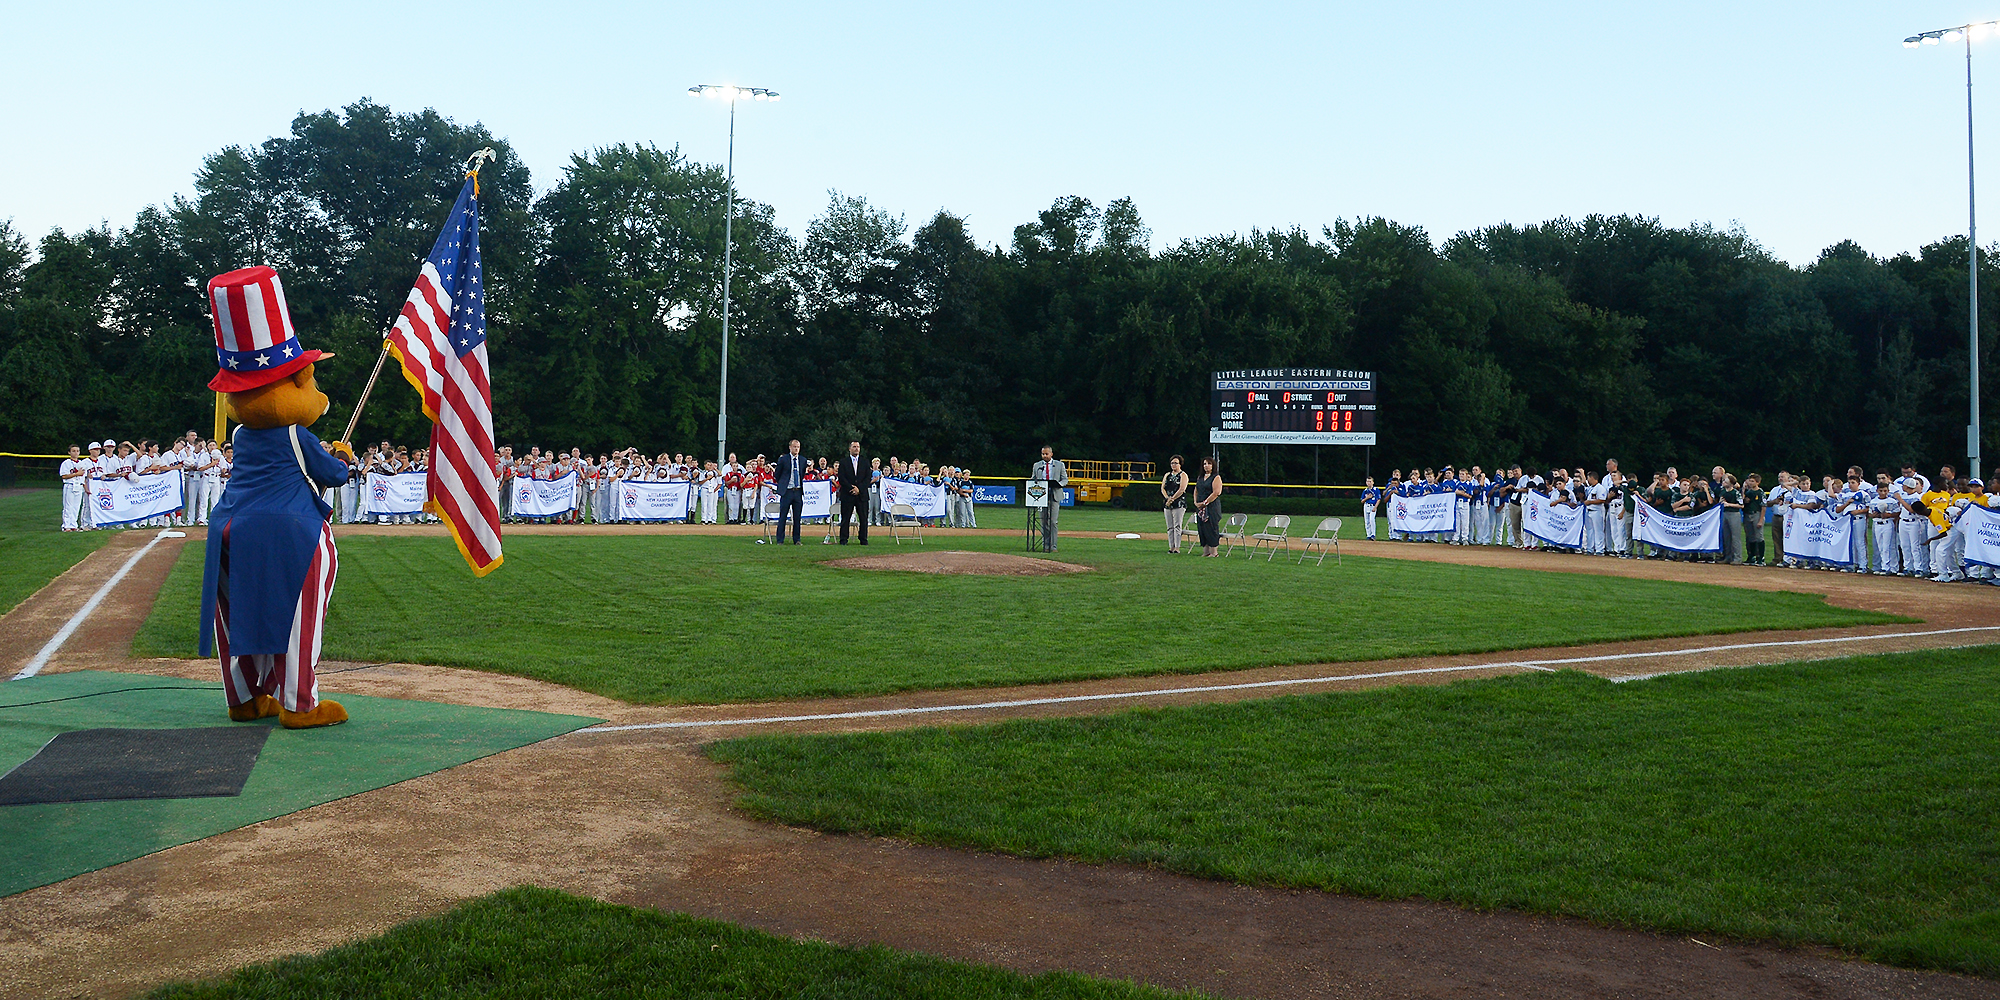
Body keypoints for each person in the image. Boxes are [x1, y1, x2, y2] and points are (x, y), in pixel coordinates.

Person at [771, 439, 809, 544]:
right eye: (794, 447)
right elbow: (777, 474)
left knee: (797, 517)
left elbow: (802, 473)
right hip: (787, 491)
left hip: (797, 491)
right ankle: (780, 540)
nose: (796, 449)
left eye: (798, 447)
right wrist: (783, 484)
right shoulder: (784, 459)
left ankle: (797, 539)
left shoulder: (803, 460)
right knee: (783, 516)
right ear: (790, 447)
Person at [1032, 445, 1068, 553]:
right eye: (1043, 454)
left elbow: (1065, 479)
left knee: (1053, 522)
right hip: (1041, 496)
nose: (1044, 456)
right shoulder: (1037, 465)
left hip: (1055, 495)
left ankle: (1054, 546)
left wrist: (1059, 485)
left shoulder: (1059, 465)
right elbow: (1033, 479)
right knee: (1043, 522)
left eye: (1046, 454)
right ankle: (1045, 545)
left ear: (1051, 454)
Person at [836, 440, 869, 545]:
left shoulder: (865, 462)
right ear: (849, 449)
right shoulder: (844, 462)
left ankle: (863, 539)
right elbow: (841, 478)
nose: (856, 448)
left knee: (863, 519)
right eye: (854, 447)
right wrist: (851, 488)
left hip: (862, 495)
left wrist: (859, 488)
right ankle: (844, 539)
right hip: (847, 494)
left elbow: (867, 478)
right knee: (845, 519)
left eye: (858, 447)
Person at [1193, 455, 1224, 557]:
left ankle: (1214, 552)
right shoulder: (1200, 478)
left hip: (1211, 507)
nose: (1206, 466)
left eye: (1209, 464)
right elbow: (1196, 490)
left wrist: (1205, 503)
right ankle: (1205, 552)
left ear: (1213, 465)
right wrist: (1196, 502)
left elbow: (1216, 492)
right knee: (1202, 528)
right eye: (1205, 464)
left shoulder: (1216, 477)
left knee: (1211, 528)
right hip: (1200, 507)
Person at [1161, 455, 1189, 553]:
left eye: (1176, 463)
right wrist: (1167, 498)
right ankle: (1171, 547)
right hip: (1168, 503)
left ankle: (1177, 547)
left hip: (1179, 503)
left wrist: (1172, 499)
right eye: (1172, 463)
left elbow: (1182, 489)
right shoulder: (1167, 475)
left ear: (1180, 464)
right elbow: (1163, 488)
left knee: (1177, 525)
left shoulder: (1183, 475)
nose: (1174, 465)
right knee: (1170, 527)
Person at [1359, 475, 1381, 542]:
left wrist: (1375, 507)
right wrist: (1367, 498)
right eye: (1367, 481)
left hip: (1373, 506)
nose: (1369, 483)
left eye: (1370, 481)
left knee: (1372, 519)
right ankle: (1368, 535)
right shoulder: (1365, 491)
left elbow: (1378, 499)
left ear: (1373, 482)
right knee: (1367, 521)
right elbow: (1362, 501)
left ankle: (1373, 535)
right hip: (1366, 505)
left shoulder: (1376, 490)